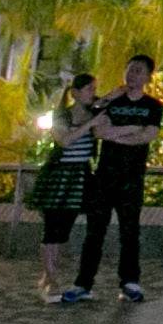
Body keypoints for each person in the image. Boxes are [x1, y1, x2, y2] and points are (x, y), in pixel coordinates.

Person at [62, 53, 163, 303]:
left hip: (132, 177)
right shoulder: (110, 102)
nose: (132, 75)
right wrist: (127, 128)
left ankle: (130, 282)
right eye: (130, 69)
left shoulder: (153, 106)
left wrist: (116, 134)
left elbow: (148, 135)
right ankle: (83, 284)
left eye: (139, 71)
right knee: (94, 232)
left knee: (130, 231)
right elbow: (98, 129)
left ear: (148, 77)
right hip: (105, 175)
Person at [28, 71, 99, 301]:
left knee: (63, 230)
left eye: (93, 89)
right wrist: (90, 124)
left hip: (79, 176)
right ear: (76, 93)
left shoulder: (92, 115)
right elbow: (64, 140)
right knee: (51, 227)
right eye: (89, 90)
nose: (92, 94)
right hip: (59, 175)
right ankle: (51, 275)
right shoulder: (63, 115)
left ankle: (49, 275)